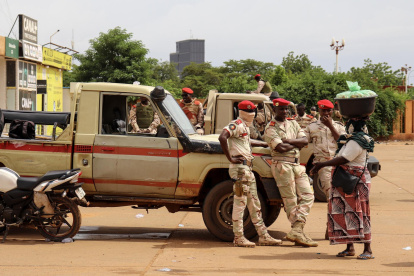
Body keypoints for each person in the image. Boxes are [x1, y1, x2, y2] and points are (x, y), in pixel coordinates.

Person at [219, 100, 282, 247]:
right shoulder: (236, 124)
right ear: (242, 112)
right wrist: (230, 158)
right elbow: (222, 137)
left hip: (246, 170)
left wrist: (265, 144)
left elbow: (248, 142)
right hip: (240, 170)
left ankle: (263, 235)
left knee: (254, 203)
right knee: (240, 203)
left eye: (253, 111)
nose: (252, 114)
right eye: (249, 112)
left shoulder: (245, 127)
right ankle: (238, 237)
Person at [310, 117, 374, 259]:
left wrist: (322, 164)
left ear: (353, 127)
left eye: (349, 125)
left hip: (354, 181)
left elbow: (344, 158)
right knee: (346, 213)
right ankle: (349, 246)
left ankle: (368, 249)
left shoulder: (357, 142)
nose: (347, 127)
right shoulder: (351, 140)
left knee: (361, 212)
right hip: (347, 179)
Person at [263, 98, 318, 247]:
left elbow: (305, 141)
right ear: (274, 110)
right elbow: (279, 148)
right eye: (281, 109)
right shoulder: (270, 127)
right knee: (290, 201)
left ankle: (297, 229)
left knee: (308, 195)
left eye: (287, 109)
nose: (285, 111)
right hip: (282, 166)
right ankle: (298, 231)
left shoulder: (293, 123)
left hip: (296, 165)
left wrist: (287, 140)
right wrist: (295, 142)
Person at [305, 100, 346, 239]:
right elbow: (304, 142)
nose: (326, 113)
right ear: (319, 111)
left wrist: (330, 126)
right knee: (331, 196)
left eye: (329, 111)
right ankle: (331, 228)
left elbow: (342, 141)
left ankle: (333, 227)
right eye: (323, 111)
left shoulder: (339, 126)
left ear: (333, 111)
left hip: (340, 165)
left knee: (341, 197)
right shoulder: (311, 127)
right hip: (323, 166)